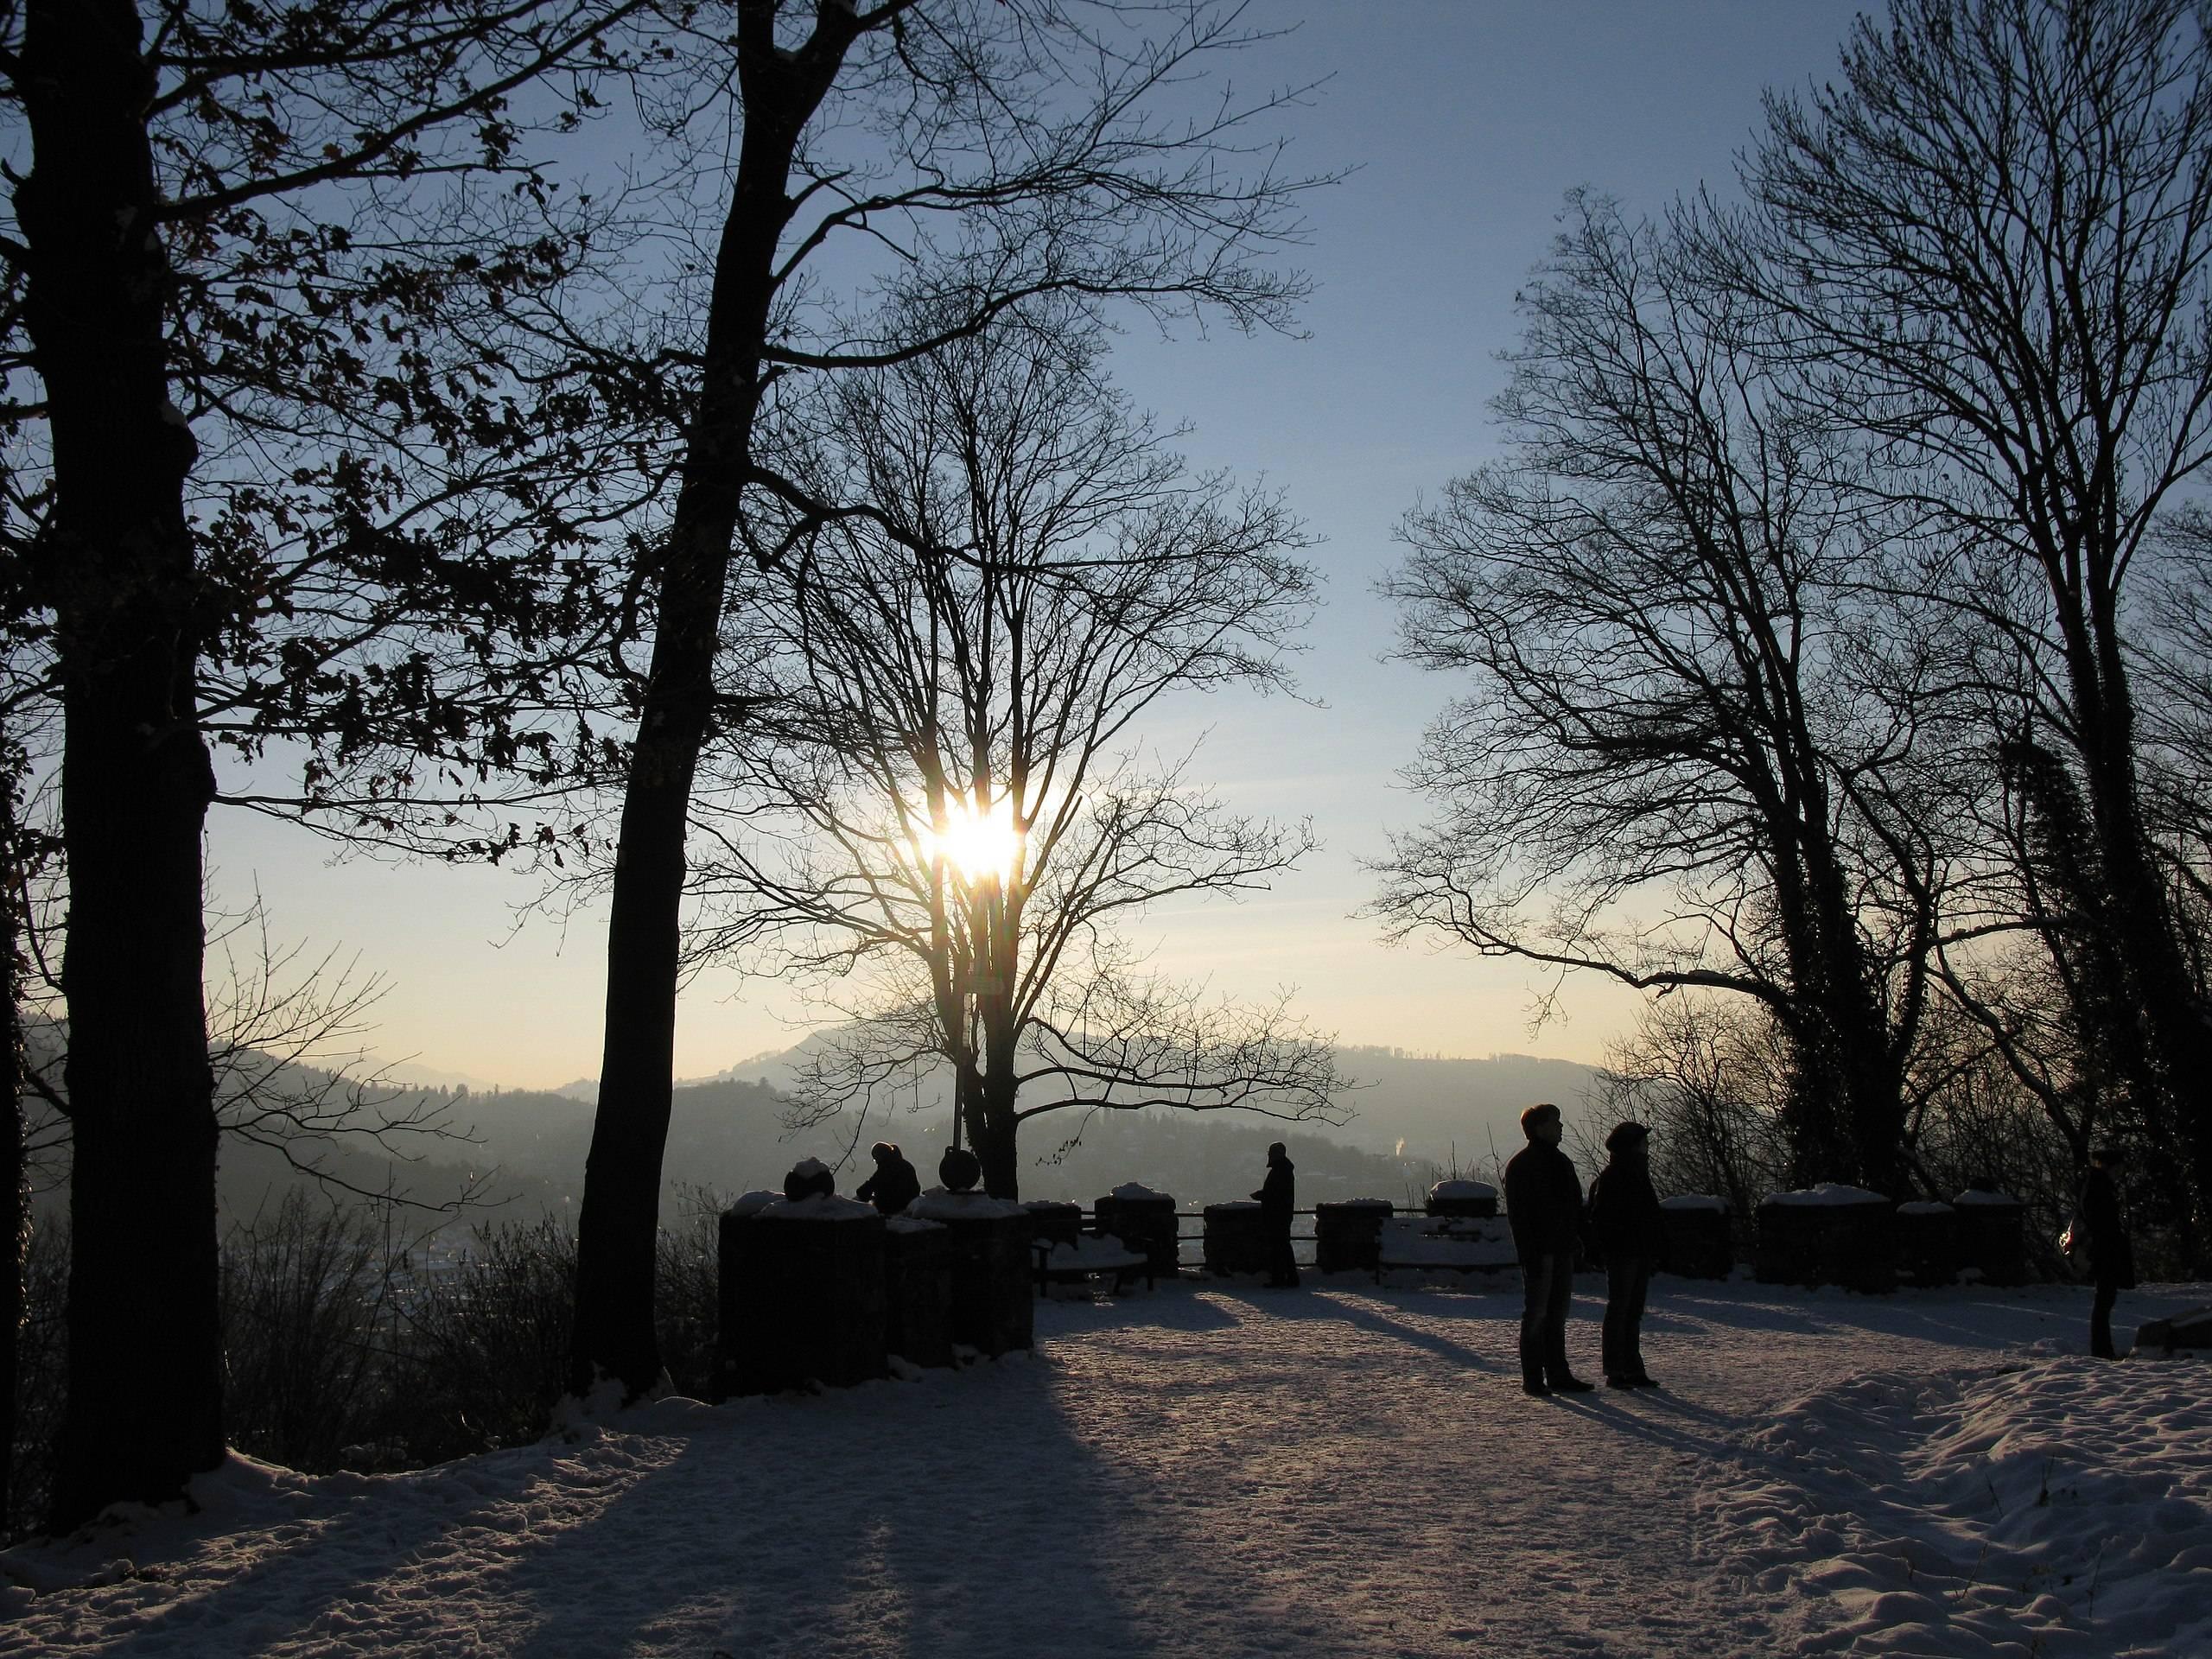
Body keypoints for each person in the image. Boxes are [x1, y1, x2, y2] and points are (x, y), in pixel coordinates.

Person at [1503, 1102, 1592, 1396]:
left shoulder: (1539, 1163)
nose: (1561, 1128)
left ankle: (1553, 1374)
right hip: (1544, 1250)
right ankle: (1539, 1377)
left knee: (1553, 1315)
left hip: (1557, 1249)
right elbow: (1522, 1217)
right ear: (1540, 1128)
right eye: (1556, 1123)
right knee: (1541, 1315)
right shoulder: (1536, 1165)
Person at [1586, 1121, 1666, 1389]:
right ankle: (1618, 1368)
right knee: (1622, 1310)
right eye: (1642, 1141)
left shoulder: (1629, 1173)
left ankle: (1629, 1368)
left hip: (1636, 1251)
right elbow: (1607, 1220)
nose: (1647, 1146)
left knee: (1630, 1311)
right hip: (1625, 1252)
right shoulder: (1620, 1176)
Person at [2078, 1143, 2136, 1360]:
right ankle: (2101, 1350)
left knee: (2104, 1301)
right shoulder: (2099, 1188)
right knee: (2104, 1301)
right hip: (2104, 1252)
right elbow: (2103, 1224)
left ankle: (2102, 1348)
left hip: (2103, 1251)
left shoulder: (2096, 1185)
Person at [1253, 1141, 1299, 1287]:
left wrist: (1261, 1195)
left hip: (1277, 1214)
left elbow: (1276, 1193)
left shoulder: (1280, 1171)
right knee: (1283, 1246)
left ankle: (1280, 1278)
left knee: (1278, 1247)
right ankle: (1290, 1277)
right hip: (1282, 1213)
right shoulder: (1284, 1169)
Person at [856, 1141, 921, 1217]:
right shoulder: (904, 1164)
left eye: (875, 1159)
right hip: (909, 1203)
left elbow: (873, 1183)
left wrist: (859, 1195)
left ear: (880, 1156)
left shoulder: (888, 1167)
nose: (876, 1162)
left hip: (894, 1206)